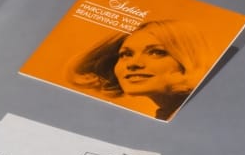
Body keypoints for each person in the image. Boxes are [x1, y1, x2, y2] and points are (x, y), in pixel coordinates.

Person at [65, 20, 208, 120]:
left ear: (188, 60)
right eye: (126, 54)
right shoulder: (171, 113)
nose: (133, 64)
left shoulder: (200, 113)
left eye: (156, 52)